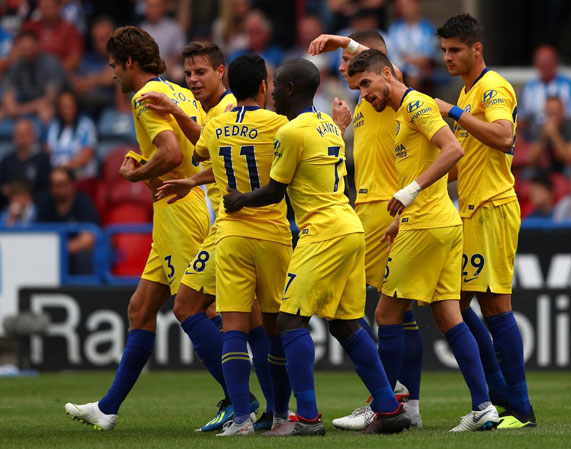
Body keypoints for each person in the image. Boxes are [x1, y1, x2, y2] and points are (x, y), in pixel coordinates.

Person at [223, 58, 410, 436]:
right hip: (349, 226)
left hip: (322, 230)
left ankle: (307, 417)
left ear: (291, 89)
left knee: (290, 320)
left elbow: (276, 191)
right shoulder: (327, 123)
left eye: (277, 86)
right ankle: (389, 409)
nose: (271, 91)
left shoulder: (291, 133)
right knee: (344, 324)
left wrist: (240, 199)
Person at [64, 26, 209, 431]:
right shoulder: (178, 91)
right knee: (140, 310)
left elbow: (172, 153)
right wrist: (144, 168)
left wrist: (136, 174)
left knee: (197, 310)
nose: (112, 74)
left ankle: (243, 403)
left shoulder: (144, 98)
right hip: (179, 207)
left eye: (113, 65)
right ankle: (108, 408)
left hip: (181, 209)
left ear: (129, 63)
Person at [348, 48, 500, 433]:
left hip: (427, 224)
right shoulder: (400, 112)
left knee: (385, 315)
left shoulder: (415, 105)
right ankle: (483, 408)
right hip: (439, 223)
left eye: (366, 84)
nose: (364, 94)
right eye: (357, 88)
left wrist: (411, 192)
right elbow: (431, 162)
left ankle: (385, 407)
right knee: (448, 314)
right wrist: (403, 215)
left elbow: (455, 150)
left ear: (387, 73)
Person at [139, 41, 276, 433]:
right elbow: (215, 161)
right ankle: (272, 411)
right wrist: (190, 181)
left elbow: (208, 147)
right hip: (249, 225)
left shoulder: (228, 109)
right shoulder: (218, 109)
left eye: (201, 72)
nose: (193, 79)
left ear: (222, 74)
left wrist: (175, 112)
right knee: (253, 321)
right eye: (188, 74)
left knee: (187, 307)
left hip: (233, 227)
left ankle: (242, 406)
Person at [307, 30, 422, 429]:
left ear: (382, 67)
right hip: (370, 209)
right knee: (400, 311)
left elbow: (372, 59)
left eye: (353, 67)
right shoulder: (365, 102)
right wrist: (339, 128)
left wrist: (341, 40)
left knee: (380, 311)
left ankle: (385, 401)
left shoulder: (395, 94)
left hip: (385, 209)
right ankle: (405, 404)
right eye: (344, 69)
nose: (346, 72)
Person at [435, 13, 536, 429]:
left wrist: (455, 112)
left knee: (488, 306)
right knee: (452, 307)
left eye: (455, 50)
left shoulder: (492, 88)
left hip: (492, 208)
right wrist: (417, 187)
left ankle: (519, 408)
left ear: (477, 48)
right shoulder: (470, 89)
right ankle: (497, 398)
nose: (448, 58)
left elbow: (503, 136)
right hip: (471, 210)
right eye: (443, 51)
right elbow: (462, 160)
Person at [36, 167, 100, 274]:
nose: (57, 189)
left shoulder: (83, 203)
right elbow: (36, 235)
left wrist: (60, 249)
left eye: (61, 184)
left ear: (72, 185)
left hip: (74, 258)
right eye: (53, 185)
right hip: (49, 258)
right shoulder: (45, 205)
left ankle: (84, 289)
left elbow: (89, 239)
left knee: (83, 256)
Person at [1, 29, 68, 127]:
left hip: (56, 106)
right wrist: (13, 107)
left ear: (38, 46)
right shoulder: (18, 65)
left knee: (46, 112)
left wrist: (20, 109)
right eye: (23, 49)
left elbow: (50, 99)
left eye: (29, 48)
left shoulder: (51, 63)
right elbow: (8, 95)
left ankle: (46, 142)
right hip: (28, 106)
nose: (26, 52)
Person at [518, 44, 571, 127]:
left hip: (562, 128)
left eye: (549, 61)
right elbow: (523, 115)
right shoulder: (528, 87)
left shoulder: (568, 84)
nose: (546, 65)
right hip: (534, 131)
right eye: (542, 61)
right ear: (536, 64)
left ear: (556, 63)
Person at [527, 96, 571, 177]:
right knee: (529, 173)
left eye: (555, 112)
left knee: (569, 170)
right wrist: (543, 138)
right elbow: (533, 160)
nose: (552, 116)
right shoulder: (539, 127)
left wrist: (555, 135)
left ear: (563, 111)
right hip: (551, 166)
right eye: (549, 113)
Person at [46, 91, 98, 180]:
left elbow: (86, 157)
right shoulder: (54, 126)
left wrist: (65, 168)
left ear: (76, 106)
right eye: (63, 107)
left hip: (81, 176)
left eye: (69, 107)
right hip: (57, 177)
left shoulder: (86, 125)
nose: (67, 111)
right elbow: (48, 151)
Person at [0, 119, 51, 209]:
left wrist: (29, 198)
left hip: (36, 208)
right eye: (18, 132)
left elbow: (47, 190)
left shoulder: (42, 160)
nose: (22, 135)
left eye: (26, 132)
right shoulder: (6, 161)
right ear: (14, 137)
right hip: (9, 207)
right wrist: (5, 191)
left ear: (33, 136)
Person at [21, 0, 83, 73]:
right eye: (42, 7)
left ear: (59, 7)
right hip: (29, 76)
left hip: (58, 77)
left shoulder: (70, 30)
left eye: (48, 7)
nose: (45, 11)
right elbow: (16, 54)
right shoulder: (29, 27)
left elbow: (74, 60)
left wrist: (53, 73)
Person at [387, 0, 436, 89]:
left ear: (417, 5)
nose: (404, 9)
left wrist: (407, 59)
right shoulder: (395, 28)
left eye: (407, 5)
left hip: (420, 70)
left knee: (414, 74)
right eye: (401, 6)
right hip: (398, 67)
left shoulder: (427, 28)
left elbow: (426, 59)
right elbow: (392, 55)